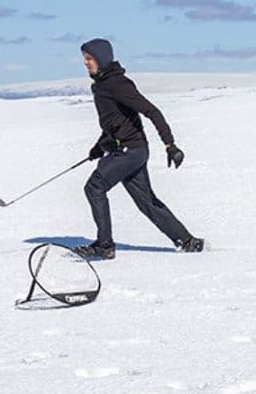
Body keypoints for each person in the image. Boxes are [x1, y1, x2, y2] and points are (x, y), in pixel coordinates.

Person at [76, 39, 202, 259]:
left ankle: (104, 246)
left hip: (129, 151)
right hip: (129, 150)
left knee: (94, 187)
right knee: (147, 202)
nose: (86, 63)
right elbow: (114, 122)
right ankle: (187, 241)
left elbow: (151, 111)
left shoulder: (118, 84)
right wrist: (99, 147)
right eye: (84, 58)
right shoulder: (102, 85)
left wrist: (170, 145)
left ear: (102, 59)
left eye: (89, 58)